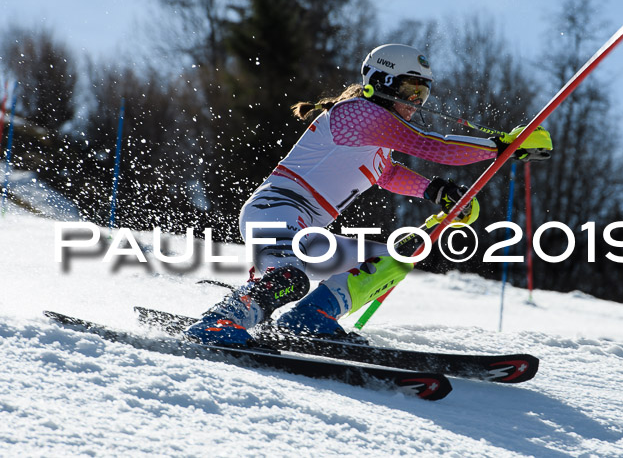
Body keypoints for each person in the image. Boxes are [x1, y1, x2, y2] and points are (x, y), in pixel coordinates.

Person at [186, 43, 552, 347]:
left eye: (422, 94)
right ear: (383, 80)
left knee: (396, 259)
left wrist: (434, 190)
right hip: (275, 212)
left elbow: (387, 172)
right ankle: (218, 322)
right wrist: (502, 146)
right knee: (290, 277)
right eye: (411, 90)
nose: (416, 102)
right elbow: (431, 146)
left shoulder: (377, 140)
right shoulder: (358, 113)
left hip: (305, 228)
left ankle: (312, 317)